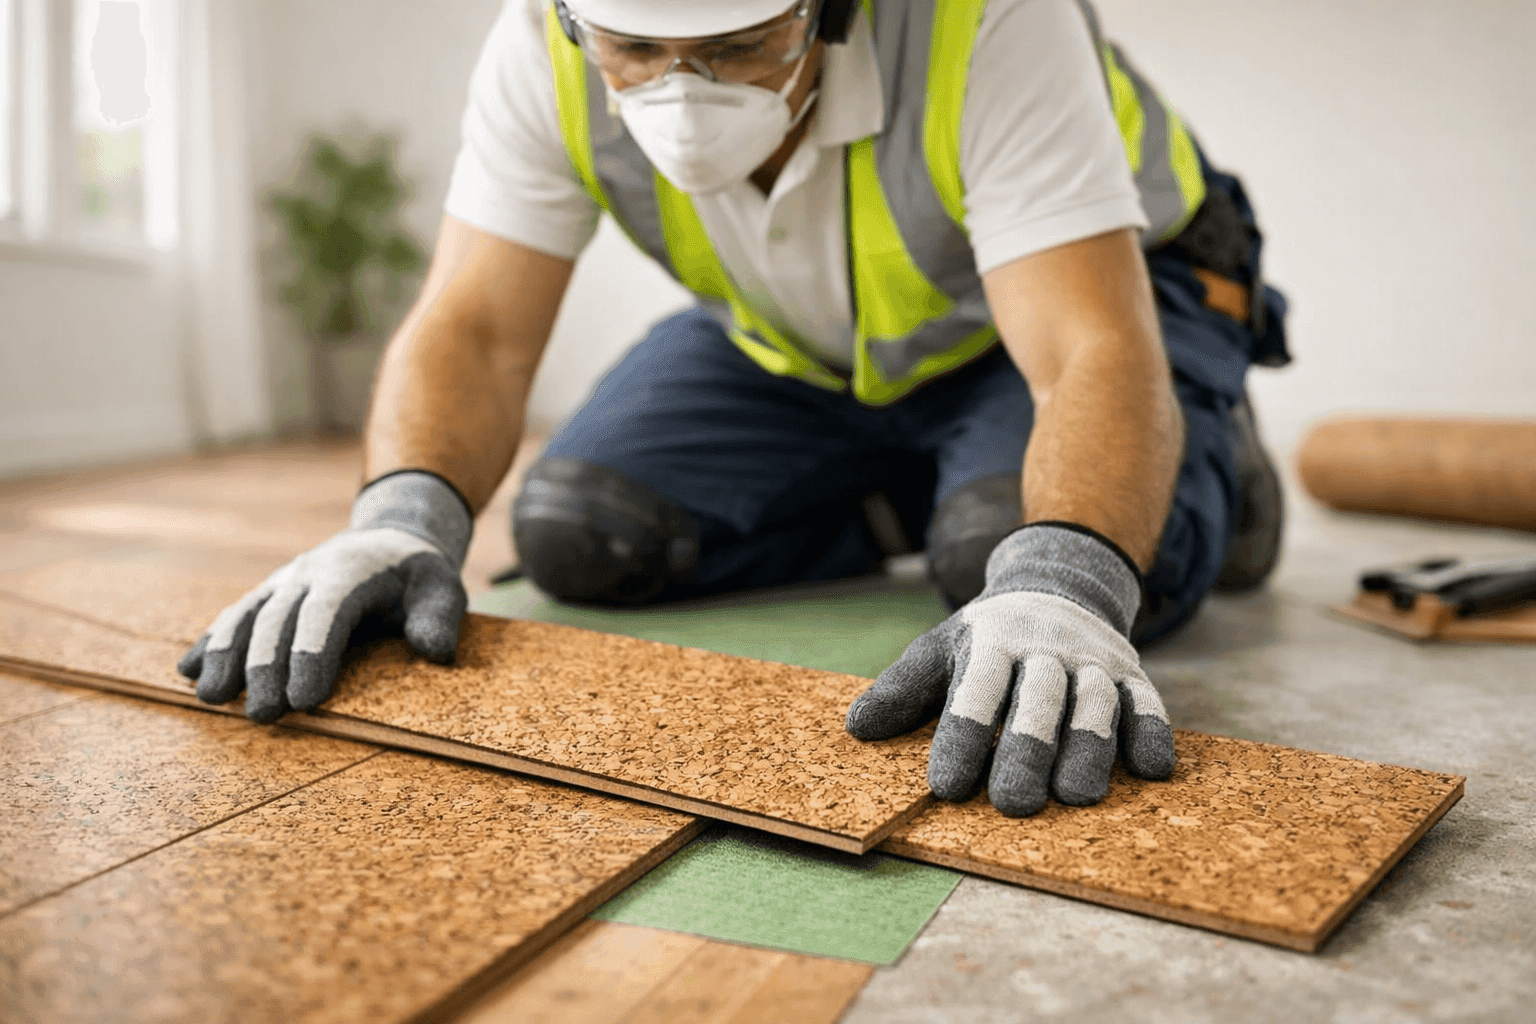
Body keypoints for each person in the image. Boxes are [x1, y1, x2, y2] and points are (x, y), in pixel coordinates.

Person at [180, 0, 1289, 818]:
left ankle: (1200, 459)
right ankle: (937, 482)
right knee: (580, 529)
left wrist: (1068, 574)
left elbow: (1088, 346)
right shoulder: (542, 42)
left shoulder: (985, 20)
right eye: (637, 50)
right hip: (809, 337)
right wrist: (401, 512)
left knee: (1012, 566)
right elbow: (474, 323)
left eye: (738, 46)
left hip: (1091, 305)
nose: (680, 91)